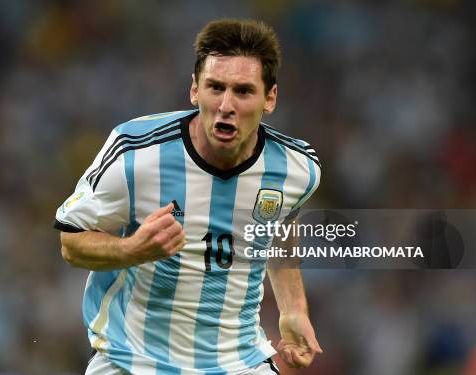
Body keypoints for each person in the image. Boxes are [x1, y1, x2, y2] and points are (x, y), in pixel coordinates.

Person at [54, 19, 322, 374]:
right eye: (215, 87)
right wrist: (131, 249)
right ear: (194, 90)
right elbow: (71, 242)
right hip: (132, 361)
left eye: (243, 91)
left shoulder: (298, 168)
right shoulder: (134, 152)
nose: (226, 104)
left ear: (269, 98)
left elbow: (279, 228)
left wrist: (293, 309)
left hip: (239, 363)